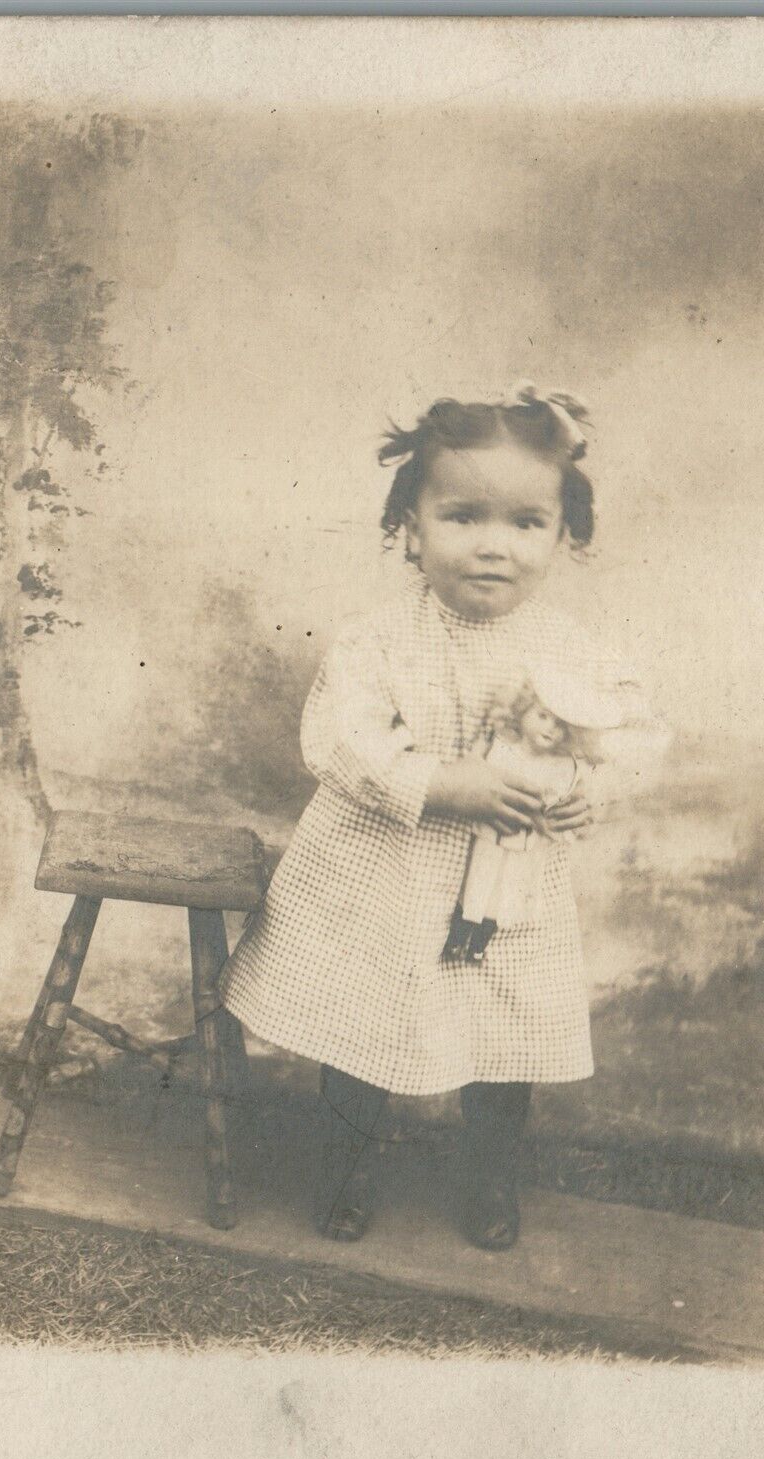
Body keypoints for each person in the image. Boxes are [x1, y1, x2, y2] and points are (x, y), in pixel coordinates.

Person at [220, 386, 651, 1250]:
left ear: (564, 537)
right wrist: (441, 784)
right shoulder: (377, 642)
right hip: (384, 874)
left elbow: (624, 738)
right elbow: (339, 744)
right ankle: (347, 1167)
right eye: (461, 517)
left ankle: (490, 1176)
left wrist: (582, 793)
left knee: (504, 1032)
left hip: (510, 887)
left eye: (527, 523)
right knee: (362, 1022)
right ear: (409, 529)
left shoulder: (571, 650)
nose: (493, 545)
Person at [442, 671, 630, 964]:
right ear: (522, 710)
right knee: (475, 885)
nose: (550, 729)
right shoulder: (503, 747)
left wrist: (550, 811)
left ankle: (478, 946)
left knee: (503, 897)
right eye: (542, 716)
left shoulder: (561, 766)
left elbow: (559, 800)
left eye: (561, 726)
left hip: (525, 843)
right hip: (491, 833)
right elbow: (479, 771)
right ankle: (456, 941)